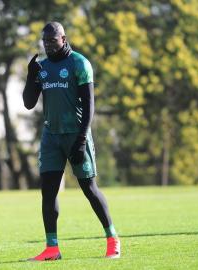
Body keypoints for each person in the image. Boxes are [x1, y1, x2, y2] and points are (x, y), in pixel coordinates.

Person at [22, 22, 121, 261]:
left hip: (76, 134)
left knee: (89, 188)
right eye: (44, 42)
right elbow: (28, 103)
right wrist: (31, 75)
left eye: (52, 41)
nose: (48, 45)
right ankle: (52, 248)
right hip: (51, 136)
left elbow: (89, 106)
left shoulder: (79, 63)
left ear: (63, 39)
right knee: (48, 192)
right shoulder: (42, 67)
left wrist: (81, 139)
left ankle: (112, 239)